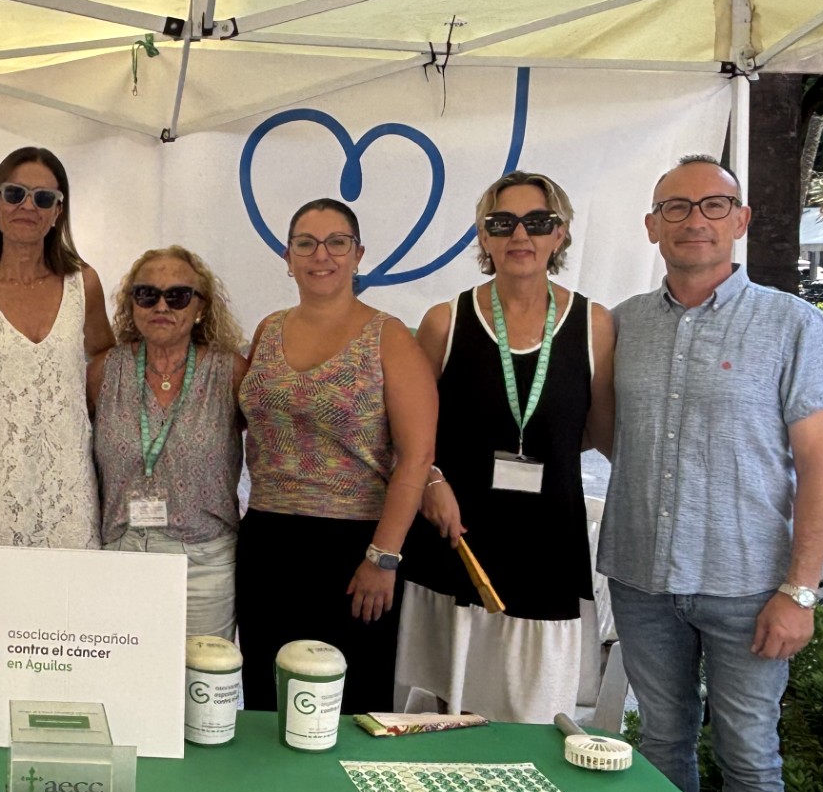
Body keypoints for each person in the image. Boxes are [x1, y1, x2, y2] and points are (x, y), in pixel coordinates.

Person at [598, 155, 823, 792]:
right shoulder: (621, 325)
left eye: (713, 205)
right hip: (642, 576)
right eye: (676, 207)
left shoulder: (792, 324)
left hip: (749, 586)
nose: (694, 220)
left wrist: (800, 591)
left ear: (740, 221)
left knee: (749, 756)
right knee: (662, 743)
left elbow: (820, 468)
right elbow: (610, 434)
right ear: (652, 226)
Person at [394, 172, 616, 723]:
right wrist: (432, 481)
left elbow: (598, 431)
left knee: (535, 712)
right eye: (502, 222)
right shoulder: (445, 322)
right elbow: (408, 431)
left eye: (537, 222)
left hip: (547, 544)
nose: (520, 235)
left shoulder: (594, 325)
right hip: (457, 537)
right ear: (483, 236)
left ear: (560, 234)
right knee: (447, 707)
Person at [235, 199, 436, 715]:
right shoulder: (268, 329)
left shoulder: (389, 337)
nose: (320, 255)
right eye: (306, 243)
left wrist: (383, 556)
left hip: (355, 551)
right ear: (288, 257)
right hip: (267, 540)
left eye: (336, 242)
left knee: (348, 708)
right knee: (268, 699)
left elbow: (417, 457)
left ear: (358, 254)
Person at [0, 146, 114, 548]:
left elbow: (108, 365)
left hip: (71, 488)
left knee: (74, 588)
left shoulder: (83, 284)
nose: (28, 206)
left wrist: (76, 409)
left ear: (58, 213)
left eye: (44, 198)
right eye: (15, 194)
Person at [88, 246, 245, 638]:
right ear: (132, 304)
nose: (162, 306)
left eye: (177, 296)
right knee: (121, 671)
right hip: (122, 554)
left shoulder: (229, 372)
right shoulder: (105, 371)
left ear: (200, 306)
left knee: (201, 675)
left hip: (204, 561)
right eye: (147, 294)